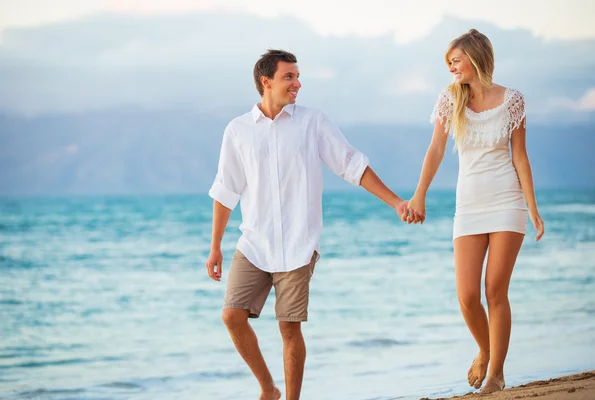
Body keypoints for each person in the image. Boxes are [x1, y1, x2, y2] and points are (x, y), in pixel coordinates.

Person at [206, 49, 409, 400]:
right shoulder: (237, 130)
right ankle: (268, 389)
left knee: (289, 327)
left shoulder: (312, 122)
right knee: (231, 316)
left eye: (298, 77)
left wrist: (395, 202)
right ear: (265, 81)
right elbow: (226, 190)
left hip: (299, 244)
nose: (297, 83)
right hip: (254, 243)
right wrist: (214, 247)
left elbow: (352, 165)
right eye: (289, 77)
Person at [402, 29, 545, 394]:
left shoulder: (512, 100)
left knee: (495, 290)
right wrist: (419, 195)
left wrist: (532, 207)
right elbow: (435, 151)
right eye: (448, 62)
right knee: (467, 296)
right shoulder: (451, 100)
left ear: (476, 57)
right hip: (469, 205)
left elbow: (520, 156)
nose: (451, 67)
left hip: (507, 202)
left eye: (456, 60)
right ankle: (485, 349)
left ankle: (496, 376)